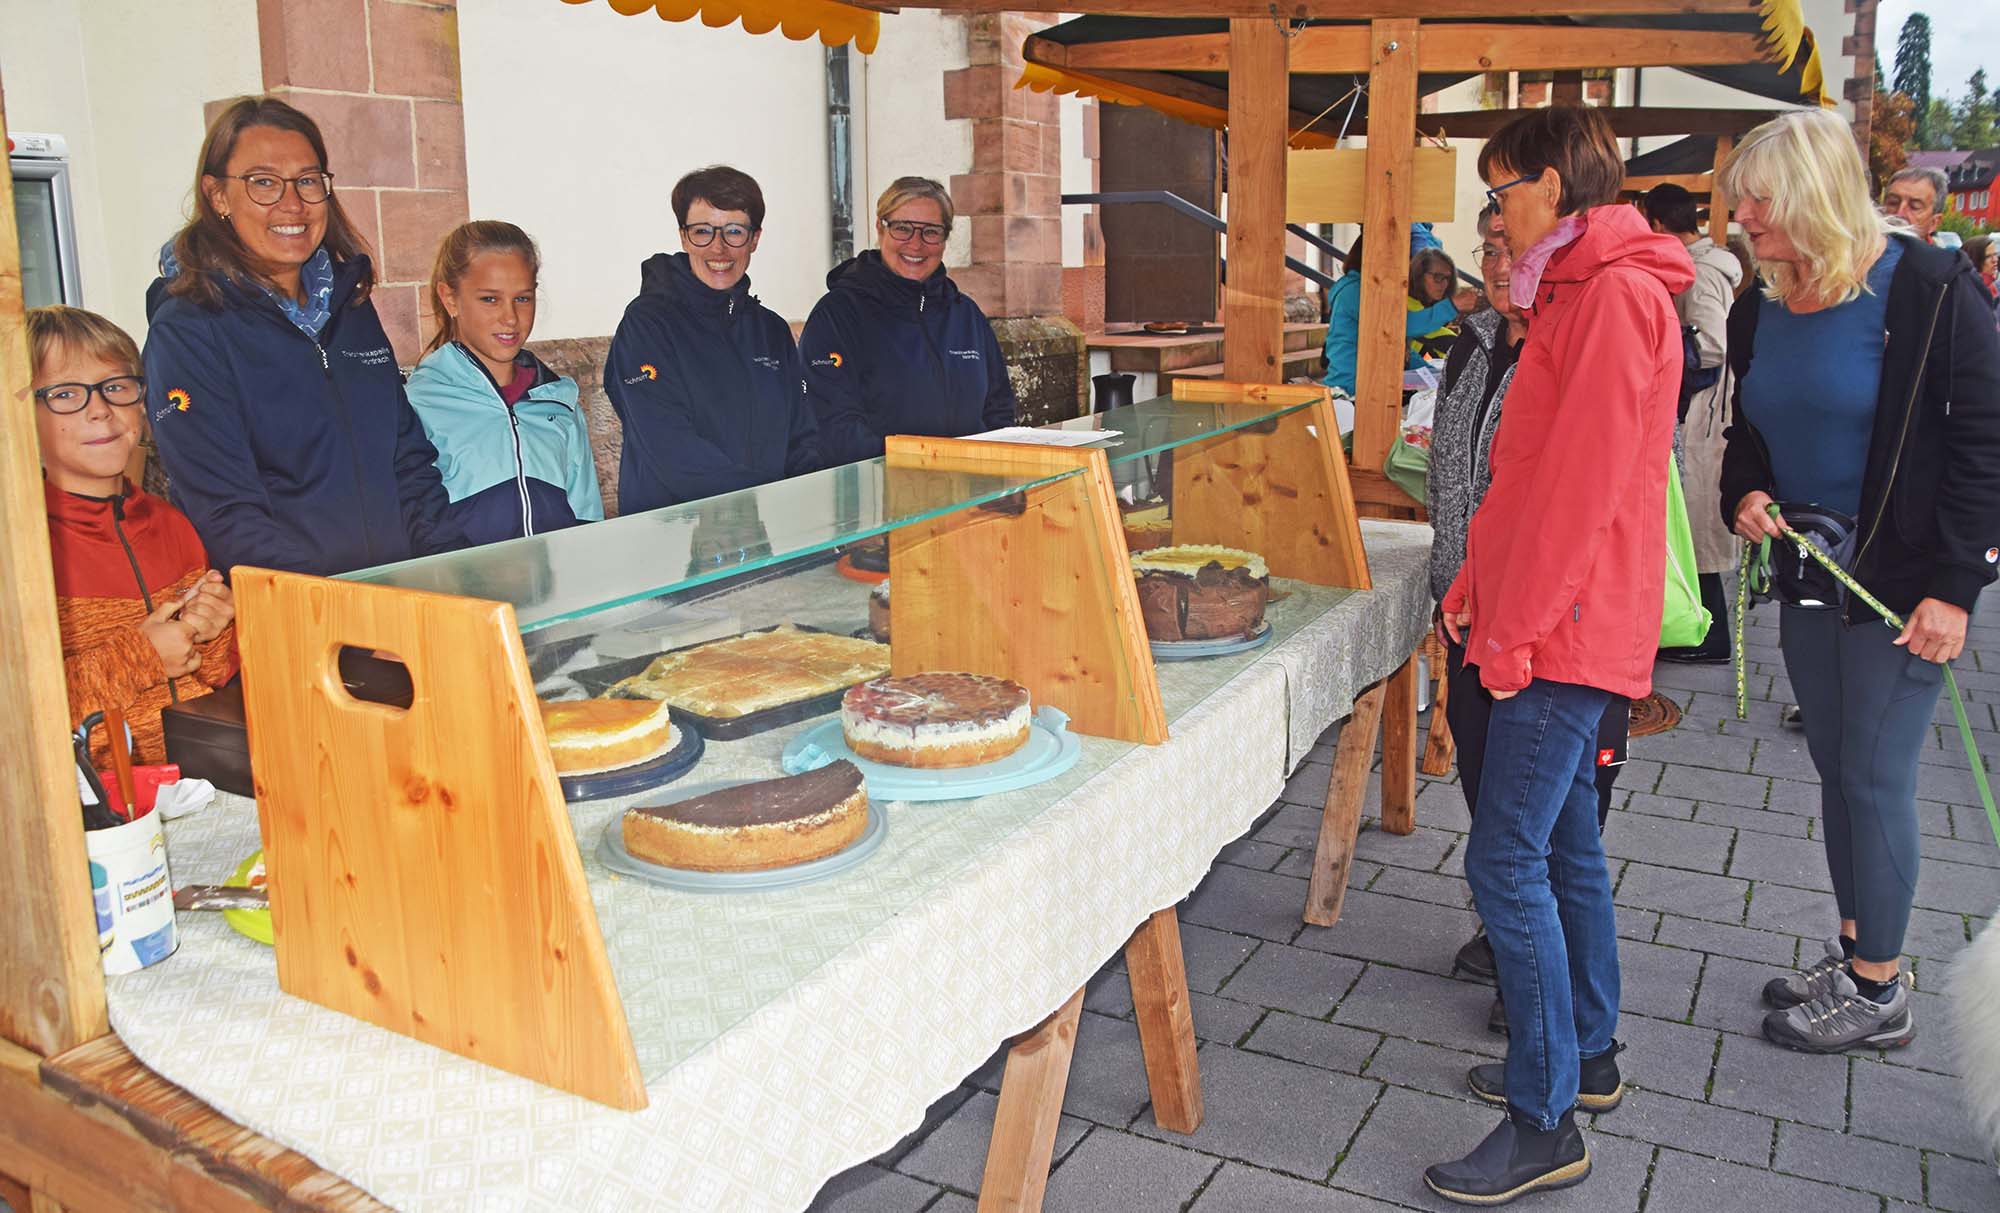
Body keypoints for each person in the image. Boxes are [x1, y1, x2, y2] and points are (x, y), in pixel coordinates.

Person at [1426, 106, 1691, 1206]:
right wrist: (1472, 585)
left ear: (1550, 184)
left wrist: (1513, 631)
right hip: (1549, 618)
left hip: (1565, 633)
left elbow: (1578, 495)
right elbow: (1520, 477)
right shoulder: (1575, 292)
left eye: (1498, 191)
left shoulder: (1613, 295)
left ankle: (1544, 1126)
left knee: (1506, 862)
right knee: (1564, 848)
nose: (1489, 213)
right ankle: (1582, 1056)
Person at [1718, 108, 2000, 1054]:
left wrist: (1957, 587)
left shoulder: (1926, 284)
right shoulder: (1760, 298)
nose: (1743, 216)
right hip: (1805, 571)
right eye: (1740, 200)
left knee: (1875, 778)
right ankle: (1857, 950)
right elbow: (1745, 428)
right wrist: (1748, 491)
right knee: (1837, 766)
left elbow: (1984, 445)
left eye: (1761, 199)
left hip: (1902, 585)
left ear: (1814, 194)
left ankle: (1880, 990)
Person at [1430, 206, 1631, 1037]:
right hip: (1472, 606)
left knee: (1544, 829)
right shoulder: (1476, 341)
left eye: (1507, 243)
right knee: (1493, 794)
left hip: (1548, 623)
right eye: (1486, 246)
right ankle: (1526, 953)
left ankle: (1546, 999)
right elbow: (1456, 460)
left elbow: (1579, 489)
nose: (1495, 259)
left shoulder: (1572, 335)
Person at [144, 96, 460, 577]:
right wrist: (332, 609)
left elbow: (408, 463)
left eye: (308, 181)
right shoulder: (188, 330)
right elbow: (226, 514)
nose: (292, 204)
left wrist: (450, 570)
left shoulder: (349, 305)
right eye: (264, 182)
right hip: (297, 618)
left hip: (400, 604)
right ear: (218, 196)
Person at [32, 306, 236, 765]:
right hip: (100, 811)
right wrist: (141, 655)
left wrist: (213, 631)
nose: (101, 411)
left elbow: (212, 674)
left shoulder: (172, 524)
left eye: (116, 387)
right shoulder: (22, 555)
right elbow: (24, 715)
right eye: (66, 394)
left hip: (201, 780)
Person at [605, 166, 819, 512]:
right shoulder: (647, 325)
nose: (718, 248)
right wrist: (765, 501)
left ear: (755, 238)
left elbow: (801, 438)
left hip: (765, 534)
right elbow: (670, 448)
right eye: (703, 231)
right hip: (673, 539)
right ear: (683, 236)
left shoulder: (772, 331)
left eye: (734, 231)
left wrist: (804, 506)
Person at [405, 221, 602, 545]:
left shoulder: (559, 402)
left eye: (522, 299)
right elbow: (415, 532)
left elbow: (587, 521)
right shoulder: (418, 405)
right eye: (490, 299)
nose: (510, 318)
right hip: (471, 594)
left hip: (561, 591)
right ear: (450, 298)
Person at [801, 177, 1016, 466]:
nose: (916, 244)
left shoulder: (966, 315)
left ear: (944, 238)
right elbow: (835, 426)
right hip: (882, 495)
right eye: (902, 228)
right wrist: (920, 471)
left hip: (969, 492)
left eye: (931, 232)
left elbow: (998, 410)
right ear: (880, 228)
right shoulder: (837, 315)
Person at [1643, 183, 1744, 664]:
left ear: (1659, 225)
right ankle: (1703, 632)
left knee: (1699, 530)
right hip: (1700, 411)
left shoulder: (1701, 273)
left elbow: (1714, 345)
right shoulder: (1703, 266)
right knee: (1696, 527)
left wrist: (1664, 352)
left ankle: (1709, 637)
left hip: (1704, 414)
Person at [1320, 233, 1479, 394]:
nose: (1403, 267)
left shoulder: (1370, 289)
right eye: (1438, 277)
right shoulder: (1356, 291)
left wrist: (1434, 375)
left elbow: (1401, 349)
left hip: (1367, 386)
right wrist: (1451, 306)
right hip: (1352, 389)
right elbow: (1400, 326)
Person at [1407, 248, 1467, 363]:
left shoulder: (1431, 307)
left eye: (1448, 278)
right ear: (1419, 275)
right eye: (1438, 277)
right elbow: (1433, 334)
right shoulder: (1407, 305)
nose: (1444, 284)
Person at [1881, 165, 1947, 244]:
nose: (1899, 213)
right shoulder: (1865, 251)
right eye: (1893, 203)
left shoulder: (1941, 256)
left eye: (1914, 207)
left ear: (1934, 223)